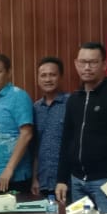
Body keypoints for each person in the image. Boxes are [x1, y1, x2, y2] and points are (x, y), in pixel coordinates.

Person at [55, 42, 107, 213]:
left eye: (93, 62)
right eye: (83, 62)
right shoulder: (74, 99)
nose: (87, 67)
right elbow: (66, 140)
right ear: (76, 64)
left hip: (106, 182)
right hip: (76, 181)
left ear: (105, 64)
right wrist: (61, 179)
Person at [0, 53, 34, 193]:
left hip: (14, 176)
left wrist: (9, 169)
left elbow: (26, 134)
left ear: (8, 73)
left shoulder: (18, 96)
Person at [32, 57, 69, 197]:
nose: (48, 79)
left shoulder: (71, 103)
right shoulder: (35, 108)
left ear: (61, 77)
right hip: (43, 181)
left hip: (67, 181)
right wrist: (34, 178)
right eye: (43, 75)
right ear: (38, 79)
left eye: (52, 75)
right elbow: (35, 147)